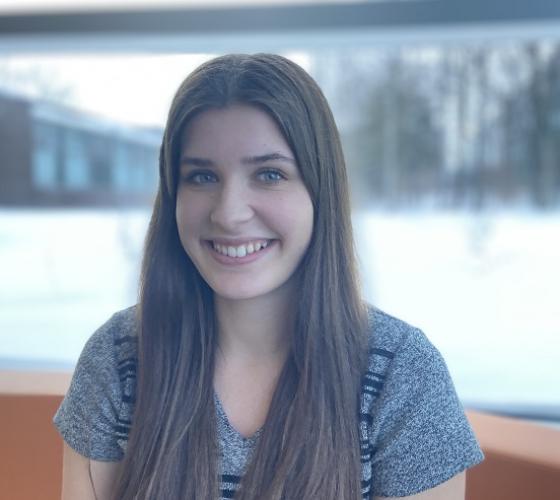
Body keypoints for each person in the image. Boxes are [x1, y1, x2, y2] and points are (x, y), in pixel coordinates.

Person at [53, 53, 484, 500]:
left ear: (320, 191)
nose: (229, 213)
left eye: (269, 174)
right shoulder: (119, 359)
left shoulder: (402, 375)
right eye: (202, 176)